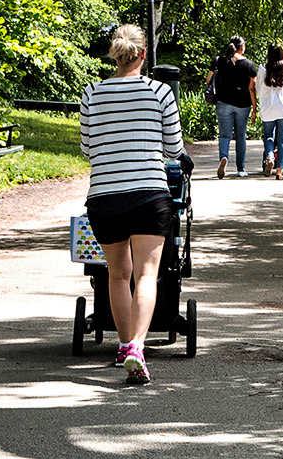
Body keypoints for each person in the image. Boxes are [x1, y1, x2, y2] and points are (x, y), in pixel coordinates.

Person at [78, 24, 186, 385]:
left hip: (105, 197)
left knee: (116, 274)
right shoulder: (159, 92)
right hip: (148, 197)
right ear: (143, 55)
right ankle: (138, 348)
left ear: (114, 55)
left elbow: (87, 150)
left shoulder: (92, 93)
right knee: (146, 275)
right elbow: (173, 148)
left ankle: (124, 346)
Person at [203, 36, 258, 178]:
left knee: (225, 135)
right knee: (241, 136)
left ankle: (224, 158)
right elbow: (252, 87)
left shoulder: (218, 61)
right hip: (243, 104)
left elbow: (208, 81)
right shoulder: (249, 64)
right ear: (242, 47)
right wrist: (255, 107)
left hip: (223, 102)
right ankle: (241, 169)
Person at [257, 44, 283, 179]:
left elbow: (258, 88)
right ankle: (279, 171)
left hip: (267, 109)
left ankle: (270, 157)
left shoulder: (262, 68)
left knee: (268, 136)